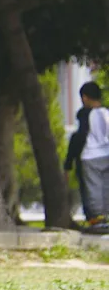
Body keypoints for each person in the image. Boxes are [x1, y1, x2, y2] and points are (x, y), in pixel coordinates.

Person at [78, 82, 109, 224]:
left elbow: (81, 136)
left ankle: (97, 217)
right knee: (106, 185)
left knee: (94, 187)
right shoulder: (106, 112)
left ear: (85, 98)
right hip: (106, 153)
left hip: (90, 155)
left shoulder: (85, 114)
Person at [65, 101, 93, 220]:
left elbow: (69, 158)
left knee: (87, 196)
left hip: (83, 172)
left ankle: (92, 218)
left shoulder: (77, 137)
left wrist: (67, 169)